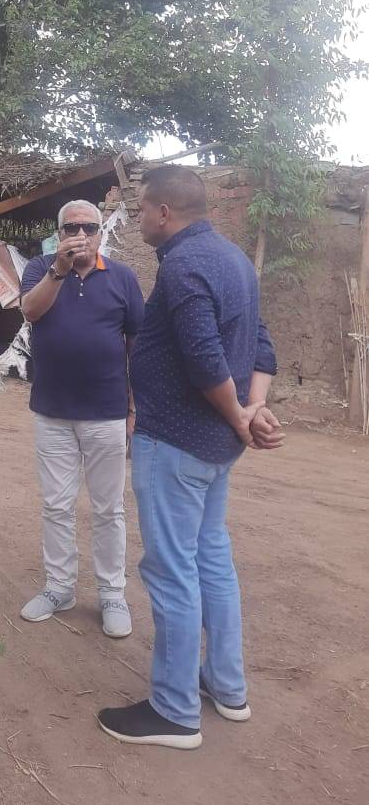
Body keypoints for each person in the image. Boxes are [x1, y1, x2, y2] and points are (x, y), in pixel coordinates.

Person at [97, 166, 284, 750]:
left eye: (142, 209)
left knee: (172, 570)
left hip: (175, 444)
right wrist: (251, 410)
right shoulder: (234, 261)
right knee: (211, 561)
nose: (139, 219)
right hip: (215, 448)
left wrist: (240, 415)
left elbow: (205, 359)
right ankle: (226, 687)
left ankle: (175, 711)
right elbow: (261, 344)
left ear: (164, 212)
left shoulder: (182, 266)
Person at [18, 200, 145, 637]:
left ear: (100, 233)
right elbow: (30, 311)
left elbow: (136, 347)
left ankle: (112, 594)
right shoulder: (40, 269)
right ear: (59, 233)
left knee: (109, 509)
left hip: (107, 412)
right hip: (52, 412)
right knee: (56, 505)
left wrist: (133, 408)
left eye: (89, 227)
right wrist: (59, 269)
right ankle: (59, 588)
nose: (80, 235)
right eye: (71, 227)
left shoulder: (122, 278)